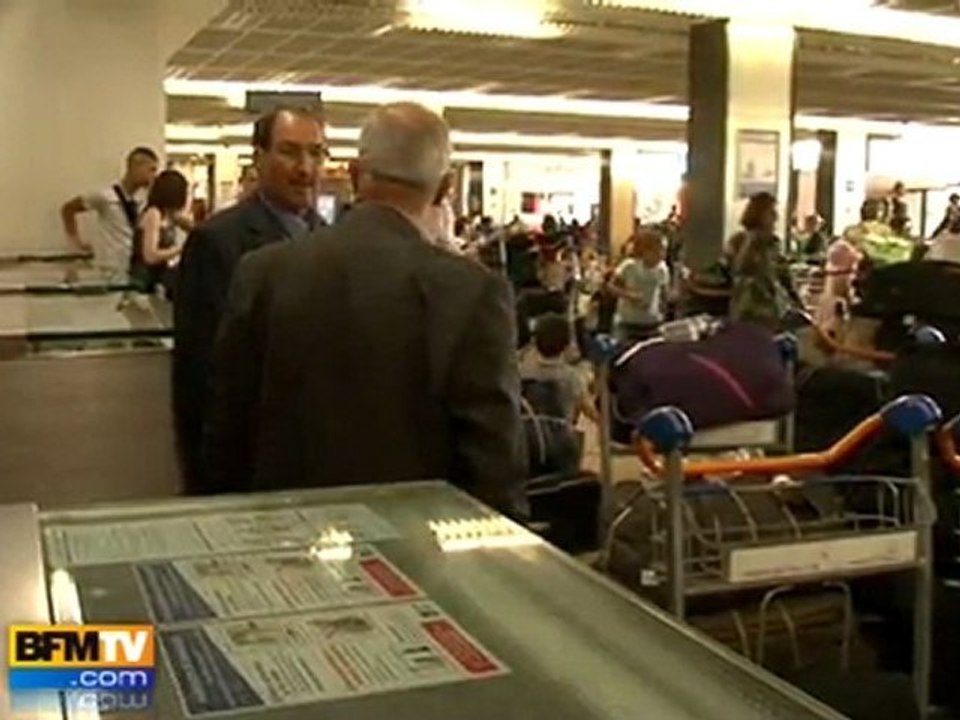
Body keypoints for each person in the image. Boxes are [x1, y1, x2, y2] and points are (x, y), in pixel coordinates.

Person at [204, 102, 527, 518]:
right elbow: (494, 459)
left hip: (284, 535)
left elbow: (225, 431)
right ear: (446, 189)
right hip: (415, 548)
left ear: (355, 176)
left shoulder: (264, 271)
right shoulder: (471, 291)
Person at [173, 106, 326, 495]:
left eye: (316, 153)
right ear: (258, 158)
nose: (305, 168)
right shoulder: (218, 243)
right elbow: (199, 379)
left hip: (320, 464)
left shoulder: (332, 239)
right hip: (251, 468)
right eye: (289, 152)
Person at [61, 147, 160, 277]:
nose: (153, 176)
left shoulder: (145, 201)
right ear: (136, 166)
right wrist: (76, 242)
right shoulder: (106, 196)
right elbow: (68, 209)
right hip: (110, 269)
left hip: (133, 267)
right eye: (151, 170)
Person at [727, 192, 797, 330]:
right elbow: (738, 269)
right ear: (759, 214)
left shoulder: (774, 243)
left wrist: (796, 301)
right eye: (771, 212)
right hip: (747, 309)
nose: (776, 217)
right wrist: (752, 240)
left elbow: (784, 276)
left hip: (771, 310)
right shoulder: (738, 241)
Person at [520, 314, 599, 425]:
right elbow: (590, 412)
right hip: (560, 436)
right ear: (566, 346)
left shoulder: (523, 369)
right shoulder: (571, 378)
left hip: (526, 433)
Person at [128, 170, 189, 296]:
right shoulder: (153, 214)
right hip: (144, 280)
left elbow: (191, 226)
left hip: (156, 276)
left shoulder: (168, 215)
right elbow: (150, 255)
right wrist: (180, 249)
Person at [610, 229, 670, 342]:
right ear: (646, 250)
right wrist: (629, 296)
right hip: (627, 322)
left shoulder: (663, 269)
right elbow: (611, 287)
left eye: (664, 251)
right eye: (659, 250)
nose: (662, 255)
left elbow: (664, 294)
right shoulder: (629, 266)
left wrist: (663, 315)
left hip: (652, 322)